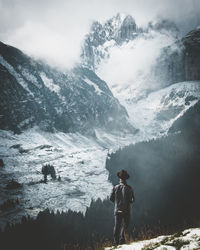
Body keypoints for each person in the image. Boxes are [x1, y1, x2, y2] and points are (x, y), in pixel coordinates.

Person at [110, 169, 135, 245]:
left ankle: (115, 242)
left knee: (117, 226)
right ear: (126, 178)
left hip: (117, 210)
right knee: (124, 226)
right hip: (126, 210)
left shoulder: (115, 187)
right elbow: (132, 200)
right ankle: (122, 241)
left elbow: (111, 198)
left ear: (119, 178)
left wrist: (117, 202)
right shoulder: (129, 188)